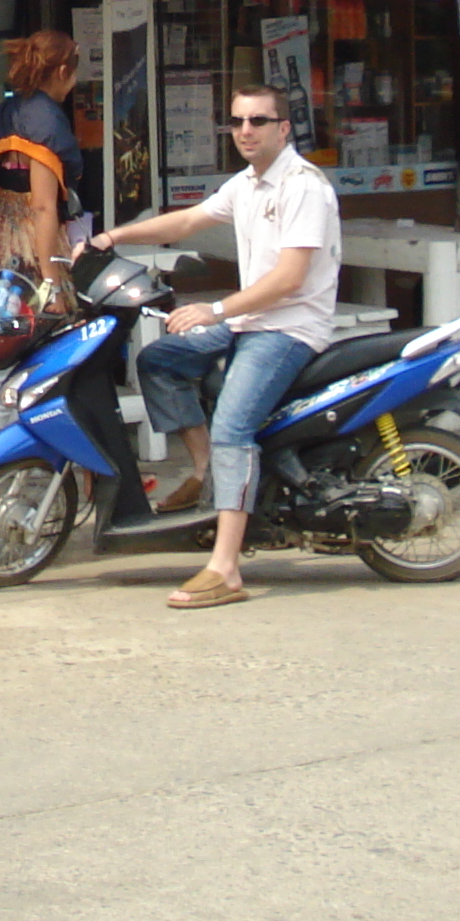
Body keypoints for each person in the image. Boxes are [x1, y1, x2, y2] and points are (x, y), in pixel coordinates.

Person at [87, 83, 340, 611]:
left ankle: (225, 568)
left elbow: (291, 279)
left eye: (258, 121)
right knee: (158, 359)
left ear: (283, 128)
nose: (246, 131)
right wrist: (112, 238)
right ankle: (205, 475)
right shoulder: (247, 185)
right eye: (238, 122)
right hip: (251, 320)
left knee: (232, 426)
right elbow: (187, 221)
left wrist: (216, 310)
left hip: (287, 329)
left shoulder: (302, 187)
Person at [0, 30, 86, 498]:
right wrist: (52, 277)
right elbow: (44, 207)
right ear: (65, 72)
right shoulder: (48, 124)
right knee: (66, 363)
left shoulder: (1, 115)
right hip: (36, 252)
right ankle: (87, 482)